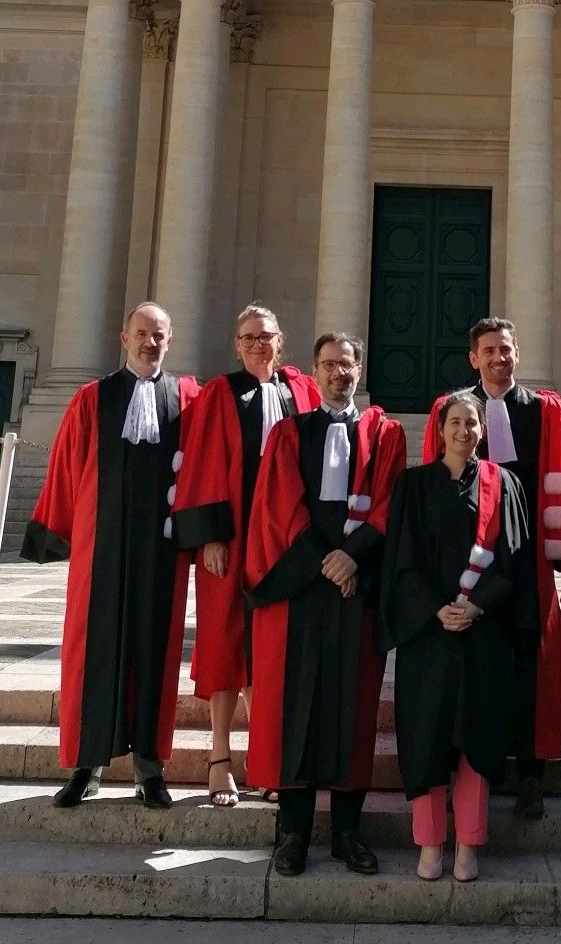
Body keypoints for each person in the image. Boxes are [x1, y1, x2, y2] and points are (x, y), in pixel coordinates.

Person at [21, 302, 200, 810]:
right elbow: (67, 466)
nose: (150, 342)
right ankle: (86, 765)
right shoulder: (91, 398)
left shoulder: (188, 398)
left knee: (154, 652)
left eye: (159, 335)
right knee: (91, 651)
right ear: (124, 338)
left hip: (161, 552)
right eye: (141, 333)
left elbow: (208, 465)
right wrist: (55, 532)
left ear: (171, 339)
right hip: (99, 551)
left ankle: (149, 768)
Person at [244, 332, 407, 877]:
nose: (339, 373)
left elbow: (389, 502)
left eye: (347, 364)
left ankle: (347, 832)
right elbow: (279, 505)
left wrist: (352, 558)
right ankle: (291, 834)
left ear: (361, 370)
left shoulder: (385, 436)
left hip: (355, 591)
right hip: (302, 591)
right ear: (313, 373)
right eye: (328, 365)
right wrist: (325, 559)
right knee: (297, 709)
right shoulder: (290, 433)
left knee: (352, 709)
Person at [422, 317, 561, 819]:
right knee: (465, 661)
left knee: (528, 661)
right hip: (470, 561)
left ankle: (530, 773)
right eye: (488, 350)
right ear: (473, 357)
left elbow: (560, 478)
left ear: (517, 354)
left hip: (527, 559)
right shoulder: (452, 410)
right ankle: (459, 767)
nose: (497, 358)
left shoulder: (543, 410)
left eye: (505, 349)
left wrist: (558, 556)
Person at [381, 392, 537, 883]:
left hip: (482, 631)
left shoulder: (505, 484)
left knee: (477, 738)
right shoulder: (412, 485)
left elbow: (514, 558)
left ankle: (469, 842)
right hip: (427, 635)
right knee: (426, 737)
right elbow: (401, 560)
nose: (463, 431)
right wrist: (436, 607)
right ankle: (429, 843)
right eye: (454, 422)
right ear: (439, 428)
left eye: (471, 423)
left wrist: (476, 604)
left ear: (483, 431)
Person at [173, 304, 321, 807]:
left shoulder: (301, 391)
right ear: (236, 344)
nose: (259, 344)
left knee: (275, 647)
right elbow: (205, 461)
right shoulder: (221, 393)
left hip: (285, 539)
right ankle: (220, 755)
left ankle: (266, 757)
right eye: (249, 337)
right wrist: (210, 535)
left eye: (267, 336)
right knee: (222, 640)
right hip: (233, 537)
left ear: (282, 342)